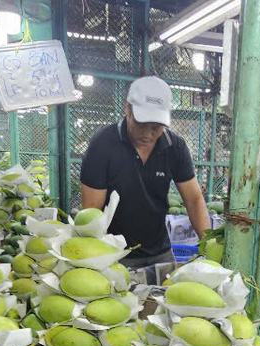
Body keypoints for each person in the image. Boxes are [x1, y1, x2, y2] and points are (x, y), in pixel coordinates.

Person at [80, 76, 210, 269]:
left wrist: (208, 246)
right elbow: (93, 212)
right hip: (114, 254)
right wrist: (95, 258)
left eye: (156, 128)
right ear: (127, 109)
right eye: (141, 124)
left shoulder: (175, 147)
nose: (148, 135)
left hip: (161, 253)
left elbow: (193, 199)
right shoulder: (102, 146)